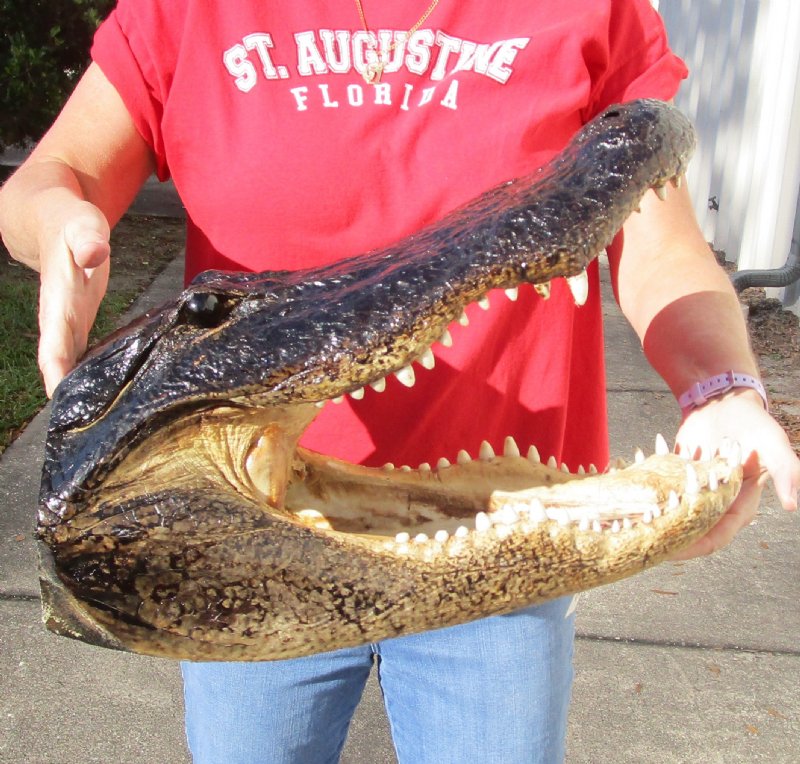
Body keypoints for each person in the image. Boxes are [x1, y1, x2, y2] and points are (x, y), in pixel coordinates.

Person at [1, 2, 798, 762]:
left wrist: (721, 386)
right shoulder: (189, 8)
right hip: (243, 527)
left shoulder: (589, 5)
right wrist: (59, 223)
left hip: (510, 531)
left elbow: (658, 239)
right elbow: (51, 173)